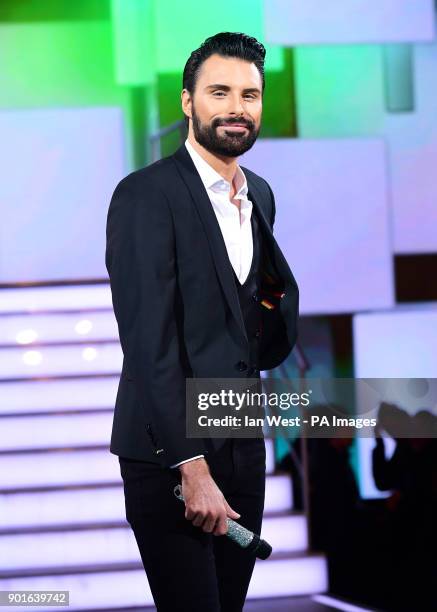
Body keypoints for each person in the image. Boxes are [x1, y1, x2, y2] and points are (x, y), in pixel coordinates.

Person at [105, 31, 299, 611]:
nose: (237, 108)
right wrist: (190, 466)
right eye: (220, 92)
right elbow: (149, 345)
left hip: (242, 444)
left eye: (250, 94)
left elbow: (251, 316)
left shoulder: (258, 195)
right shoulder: (146, 195)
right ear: (188, 102)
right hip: (169, 457)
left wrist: (272, 305)